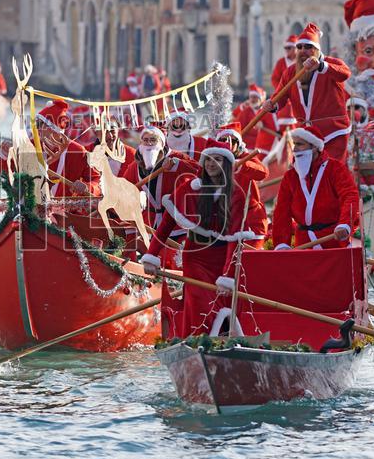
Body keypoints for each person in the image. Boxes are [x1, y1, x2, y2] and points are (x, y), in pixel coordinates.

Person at [140, 141, 266, 339]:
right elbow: (164, 227)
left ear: (225, 164)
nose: (211, 164)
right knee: (199, 306)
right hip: (196, 258)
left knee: (224, 307)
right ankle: (196, 344)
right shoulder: (188, 189)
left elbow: (234, 241)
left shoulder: (236, 194)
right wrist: (150, 256)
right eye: (208, 159)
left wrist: (228, 276)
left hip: (223, 259)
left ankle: (220, 347)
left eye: (217, 159)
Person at [264, 23, 351, 162]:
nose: (303, 50)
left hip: (333, 133)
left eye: (308, 47)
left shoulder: (330, 63)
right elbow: (280, 96)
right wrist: (272, 105)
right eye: (299, 47)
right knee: (301, 174)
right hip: (305, 134)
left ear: (317, 50)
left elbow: (345, 74)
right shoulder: (290, 71)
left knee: (330, 173)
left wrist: (321, 66)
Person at [271, 125, 360, 251]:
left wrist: (345, 225)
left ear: (314, 147)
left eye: (300, 144)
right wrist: (281, 244)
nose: (295, 149)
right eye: (294, 144)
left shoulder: (335, 169)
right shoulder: (290, 176)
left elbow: (350, 196)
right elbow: (281, 212)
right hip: (303, 243)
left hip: (333, 241)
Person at [121, 125, 199, 251]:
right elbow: (124, 188)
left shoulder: (176, 157)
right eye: (145, 140)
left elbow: (199, 172)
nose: (149, 143)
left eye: (153, 140)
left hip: (177, 223)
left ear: (162, 143)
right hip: (150, 225)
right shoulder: (135, 166)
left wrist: (177, 164)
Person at [35, 99, 100, 198]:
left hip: (65, 210)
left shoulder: (78, 151)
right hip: (32, 208)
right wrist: (4, 154)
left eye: (42, 125)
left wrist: (88, 187)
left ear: (57, 130)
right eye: (37, 125)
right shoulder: (30, 145)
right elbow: (6, 170)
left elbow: (97, 180)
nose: (38, 129)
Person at [232, 85, 278, 155]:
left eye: (255, 97)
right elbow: (237, 128)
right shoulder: (246, 112)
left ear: (260, 99)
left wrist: (263, 127)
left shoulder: (267, 111)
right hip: (248, 146)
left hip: (265, 146)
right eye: (251, 97)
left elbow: (275, 128)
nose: (253, 100)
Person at [270, 34, 299, 132]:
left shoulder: (300, 62)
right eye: (285, 48)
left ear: (295, 48)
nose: (286, 50)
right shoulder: (281, 62)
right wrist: (281, 90)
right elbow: (274, 79)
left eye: (289, 48)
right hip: (284, 95)